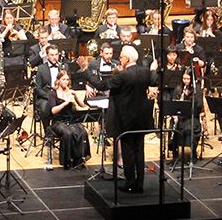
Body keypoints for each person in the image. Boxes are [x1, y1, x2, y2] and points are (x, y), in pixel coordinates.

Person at [79, 45, 156, 193]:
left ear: (126, 59)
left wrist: (85, 70)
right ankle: (139, 183)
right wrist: (153, 68)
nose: (119, 58)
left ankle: (130, 182)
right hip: (140, 118)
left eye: (120, 56)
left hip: (125, 119)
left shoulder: (123, 75)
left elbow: (101, 85)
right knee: (139, 151)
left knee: (127, 151)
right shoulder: (145, 72)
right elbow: (153, 80)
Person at [49, 70, 92, 169]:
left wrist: (76, 96)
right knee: (68, 133)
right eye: (63, 79)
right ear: (59, 80)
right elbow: (53, 111)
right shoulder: (53, 93)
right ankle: (67, 160)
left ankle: (79, 159)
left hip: (71, 120)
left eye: (67, 80)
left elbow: (82, 105)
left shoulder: (70, 92)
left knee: (82, 132)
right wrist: (65, 102)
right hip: (58, 121)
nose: (66, 82)